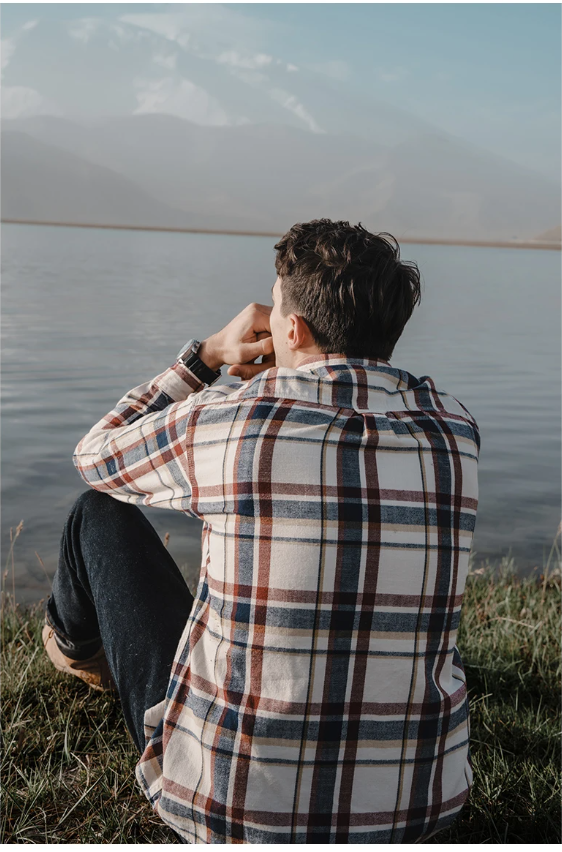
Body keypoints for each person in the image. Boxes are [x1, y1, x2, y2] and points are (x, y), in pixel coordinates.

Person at [43, 219, 480, 844]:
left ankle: (75, 650)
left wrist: (207, 358)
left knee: (99, 514)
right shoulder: (455, 432)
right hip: (421, 813)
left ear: (293, 329)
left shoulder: (227, 419)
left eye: (275, 309)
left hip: (229, 812)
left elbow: (94, 456)